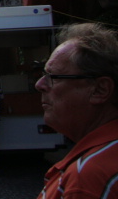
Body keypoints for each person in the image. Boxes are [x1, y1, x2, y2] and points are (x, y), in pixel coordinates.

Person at [34, 23, 118, 198]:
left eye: (53, 77)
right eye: (43, 75)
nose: (39, 85)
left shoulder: (87, 178)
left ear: (100, 90)